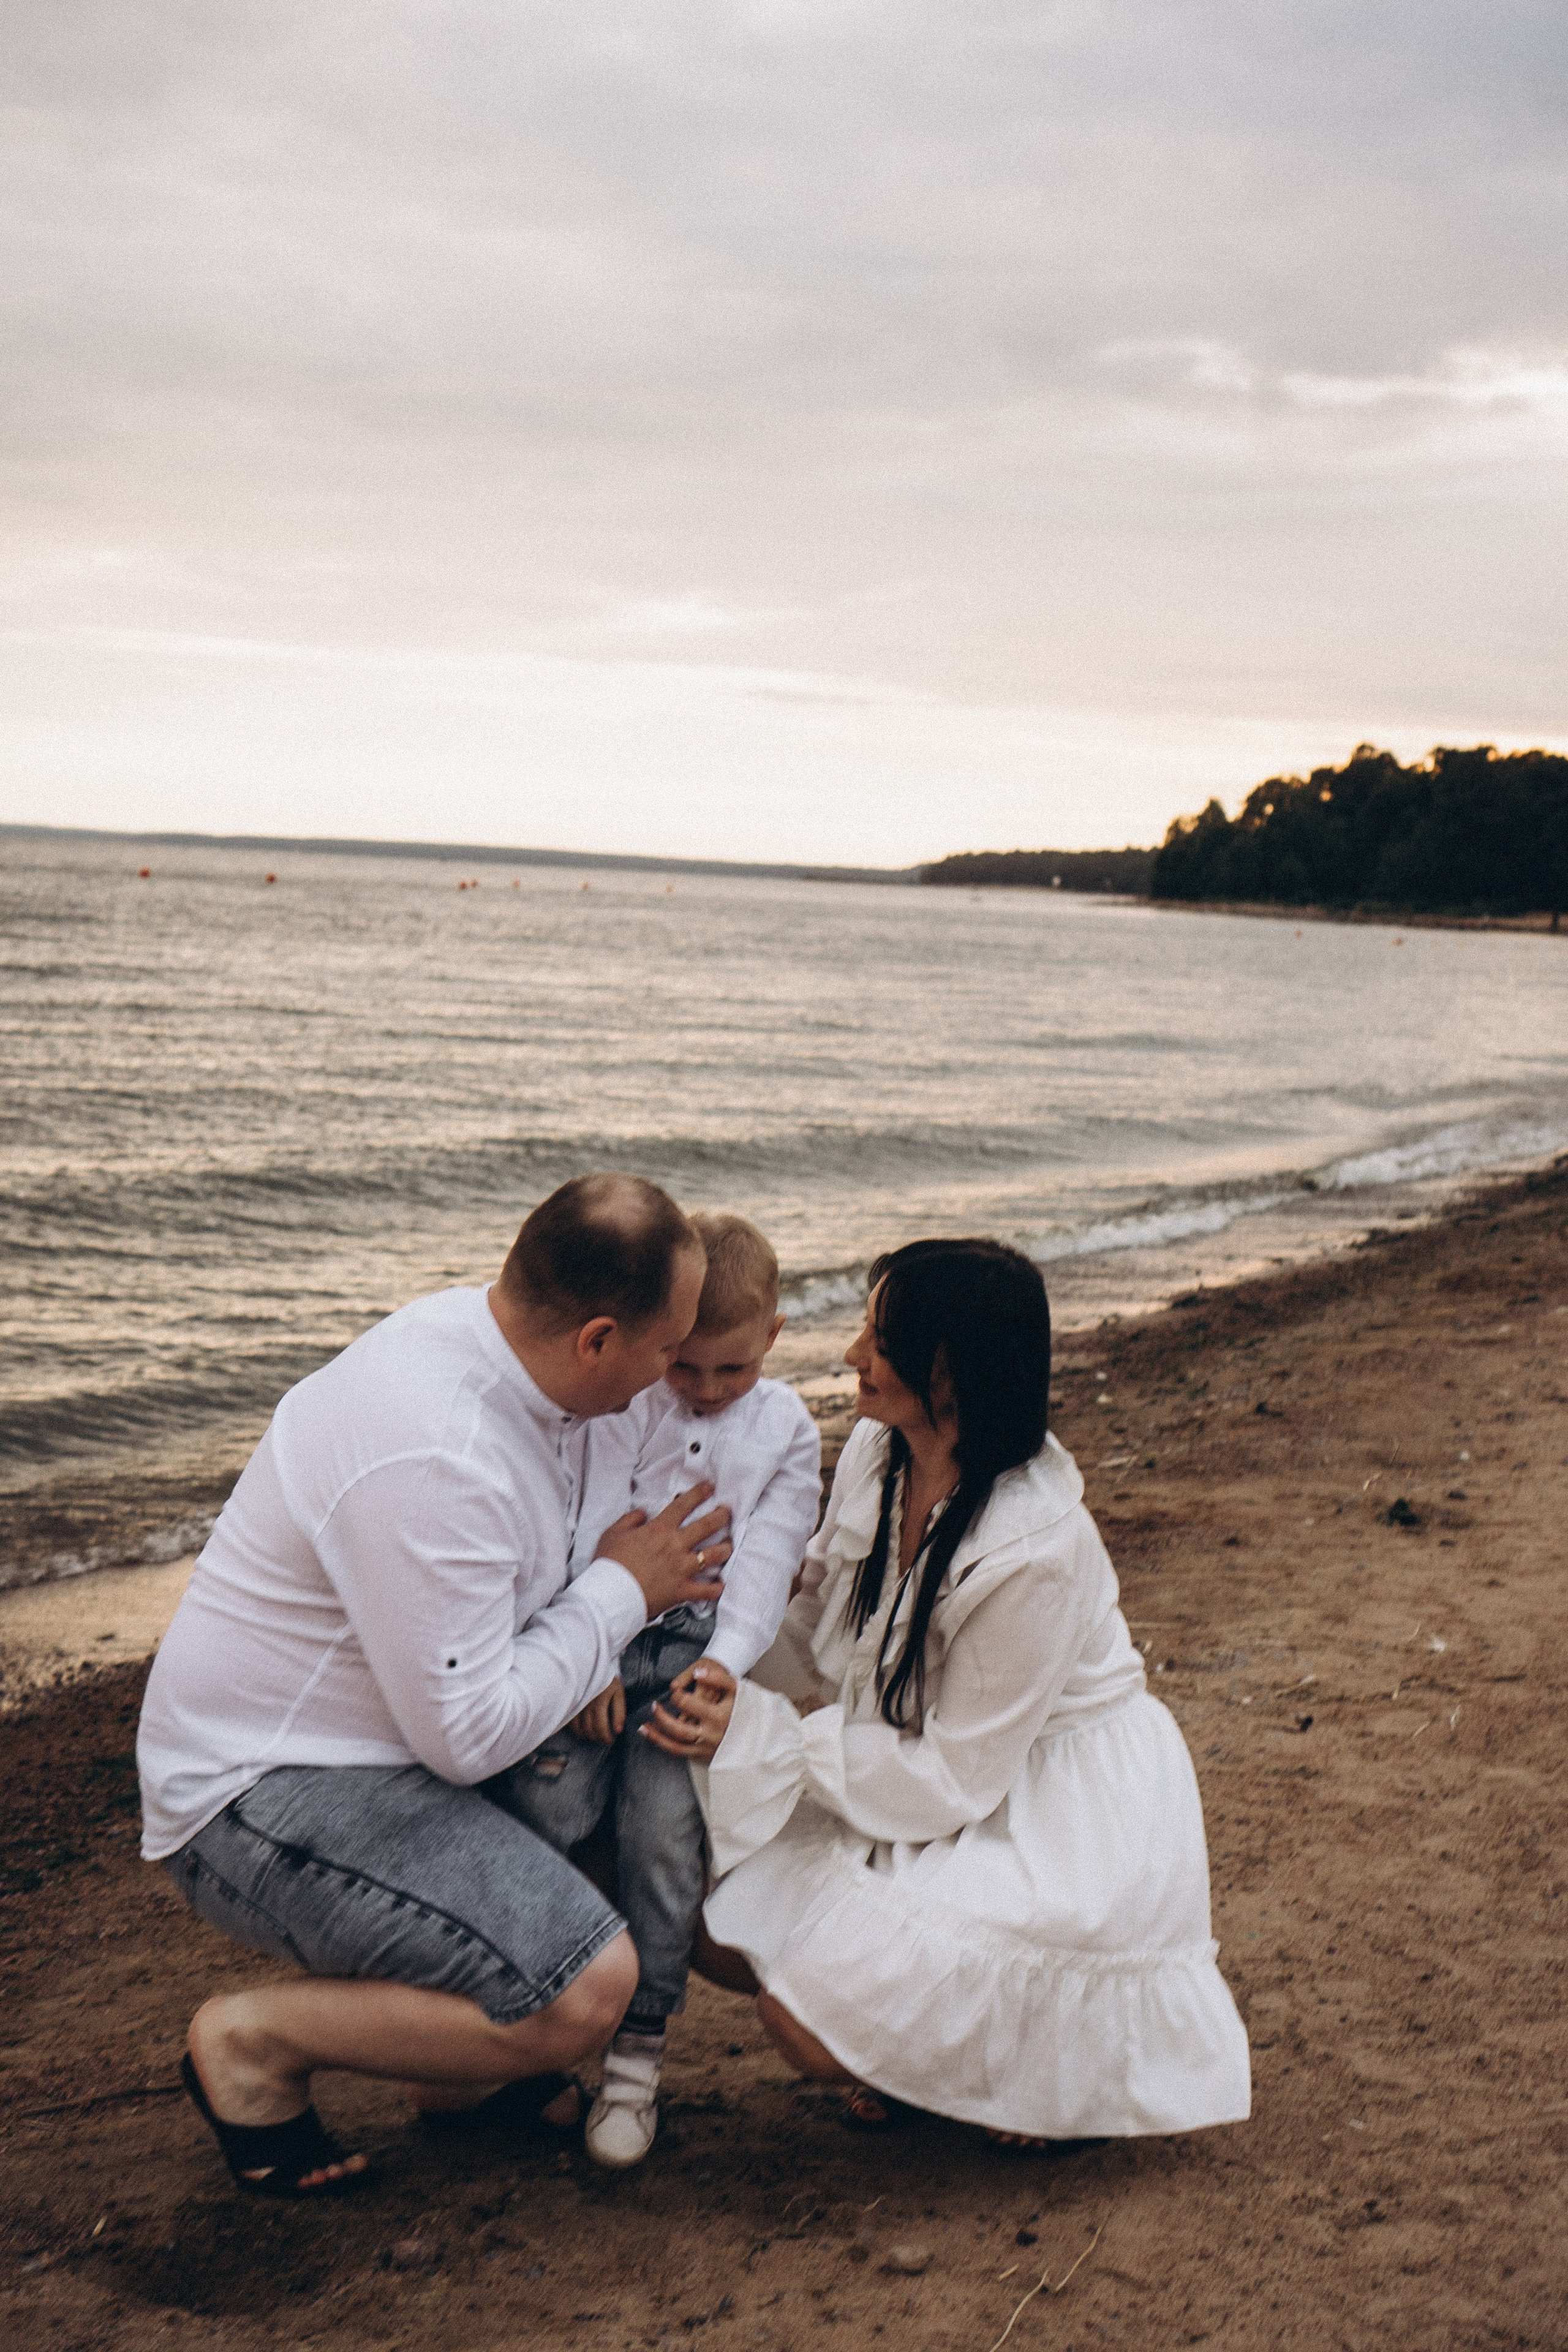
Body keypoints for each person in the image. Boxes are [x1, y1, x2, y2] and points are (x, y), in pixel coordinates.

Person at [137, 1174, 733, 2198]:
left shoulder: (532, 1374)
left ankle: (459, 2081)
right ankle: (249, 2046)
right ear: (596, 1339)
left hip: (396, 1747)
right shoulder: (436, 1448)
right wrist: (620, 1597)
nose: (676, 1370)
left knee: (629, 1833)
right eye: (666, 1348)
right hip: (264, 1792)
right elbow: (469, 1732)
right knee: (587, 1986)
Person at [647, 1238, 1251, 2147]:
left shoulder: (1037, 1547)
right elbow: (817, 1626)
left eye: (880, 1338)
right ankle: (936, 2060)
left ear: (952, 1370)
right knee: (701, 1919)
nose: (851, 1352)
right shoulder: (877, 1450)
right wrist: (692, 1634)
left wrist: (760, 1737)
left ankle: (1021, 2076)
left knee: (804, 2027)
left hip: (1043, 1804)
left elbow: (959, 1776)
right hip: (915, 1754)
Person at [502, 1213, 821, 2167]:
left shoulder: (787, 1429)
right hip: (603, 1631)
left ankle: (637, 2062)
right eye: (687, 1367)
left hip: (696, 1650)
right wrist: (588, 1656)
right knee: (548, 1805)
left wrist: (722, 1662)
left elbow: (769, 1556)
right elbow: (583, 1521)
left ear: (771, 1336)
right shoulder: (627, 1403)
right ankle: (528, 2041)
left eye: (735, 1369)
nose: (710, 1391)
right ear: (662, 1342)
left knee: (663, 1835)